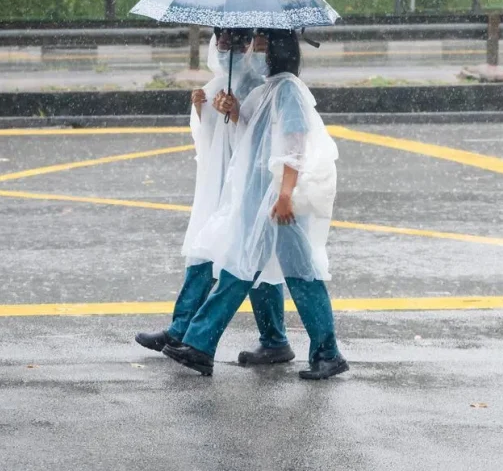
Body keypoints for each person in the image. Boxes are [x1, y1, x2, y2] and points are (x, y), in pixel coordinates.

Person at [162, 29, 349, 380]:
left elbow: (295, 144)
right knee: (247, 267)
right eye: (253, 46)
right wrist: (233, 113)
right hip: (260, 196)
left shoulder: (288, 90)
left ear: (279, 51)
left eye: (260, 47)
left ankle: (325, 353)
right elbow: (258, 135)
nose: (252, 53)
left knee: (291, 274)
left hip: (277, 201)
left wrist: (284, 195)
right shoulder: (269, 89)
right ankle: (202, 344)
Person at [134, 28, 295, 366]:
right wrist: (201, 110)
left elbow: (264, 141)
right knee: (209, 253)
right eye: (220, 42)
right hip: (220, 184)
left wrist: (237, 113)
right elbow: (209, 139)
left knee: (251, 259)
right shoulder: (218, 83)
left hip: (246, 185)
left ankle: (272, 339)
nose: (226, 49)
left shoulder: (263, 85)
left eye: (236, 43)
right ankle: (182, 330)